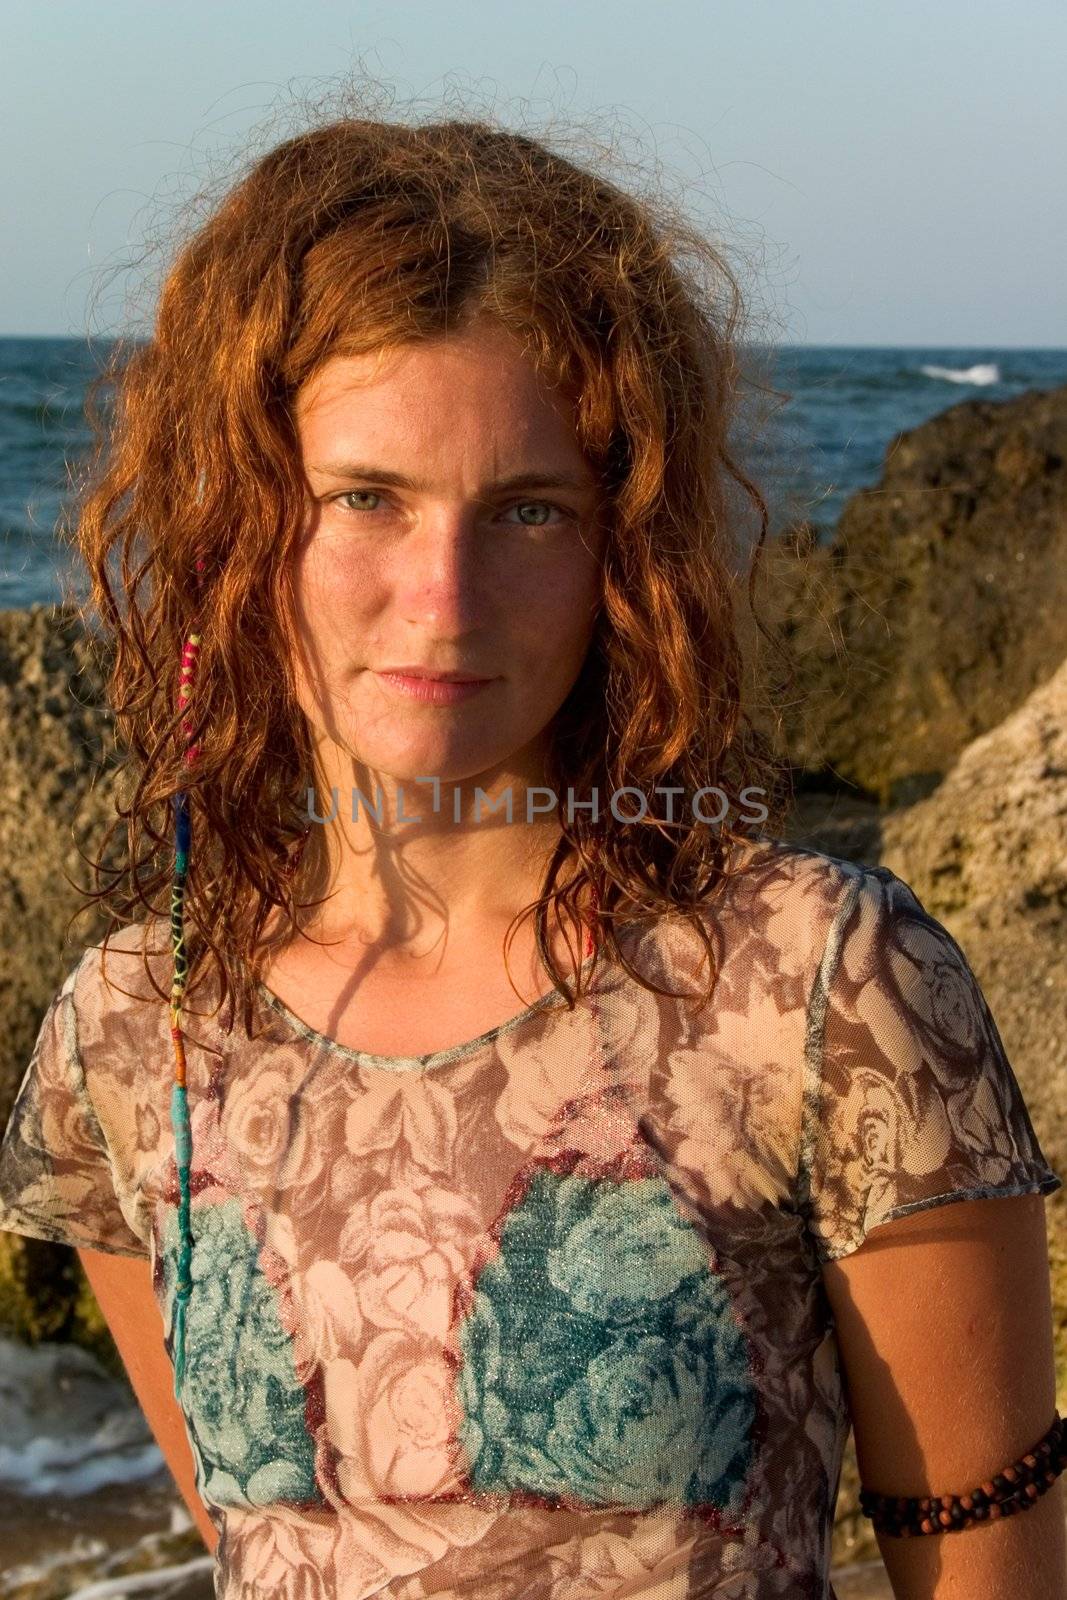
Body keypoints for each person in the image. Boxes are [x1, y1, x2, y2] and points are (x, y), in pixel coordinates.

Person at [0, 96, 1063, 1600]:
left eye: (529, 512)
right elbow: (263, 1551)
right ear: (240, 526)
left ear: (627, 552)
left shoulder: (817, 988)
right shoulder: (133, 1030)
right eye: (365, 498)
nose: (445, 595)